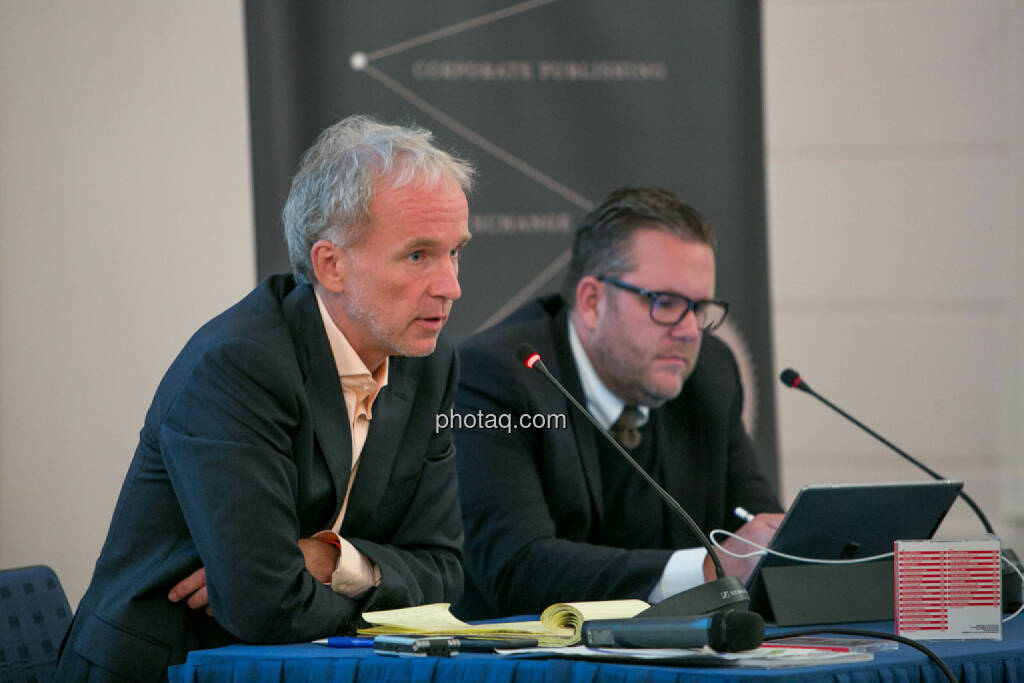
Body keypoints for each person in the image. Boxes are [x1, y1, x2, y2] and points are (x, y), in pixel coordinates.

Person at [57, 115, 473, 680]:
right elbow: (265, 604)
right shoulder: (240, 364)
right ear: (332, 265)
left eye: (455, 253)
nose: (450, 285)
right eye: (419, 255)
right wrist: (370, 580)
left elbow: (446, 572)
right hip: (172, 666)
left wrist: (329, 560)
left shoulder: (429, 364)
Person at [453, 187, 783, 619]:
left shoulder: (710, 373)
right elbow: (518, 568)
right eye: (665, 303)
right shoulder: (495, 377)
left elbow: (756, 528)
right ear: (592, 302)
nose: (689, 331)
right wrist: (705, 569)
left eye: (699, 308)